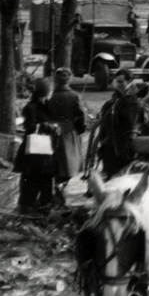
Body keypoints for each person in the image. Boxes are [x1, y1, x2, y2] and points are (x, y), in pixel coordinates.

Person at [14, 78, 59, 214]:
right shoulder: (31, 107)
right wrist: (47, 126)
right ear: (45, 92)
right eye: (50, 91)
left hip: (44, 152)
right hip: (34, 152)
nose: (51, 93)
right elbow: (30, 127)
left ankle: (44, 204)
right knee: (31, 179)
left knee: (45, 179)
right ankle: (26, 206)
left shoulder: (45, 106)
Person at [47, 68, 88, 206]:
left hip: (53, 132)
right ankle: (61, 189)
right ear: (69, 79)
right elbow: (82, 117)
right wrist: (80, 129)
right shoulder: (74, 96)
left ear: (56, 80)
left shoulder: (51, 96)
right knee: (70, 163)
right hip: (70, 131)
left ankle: (57, 189)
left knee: (57, 162)